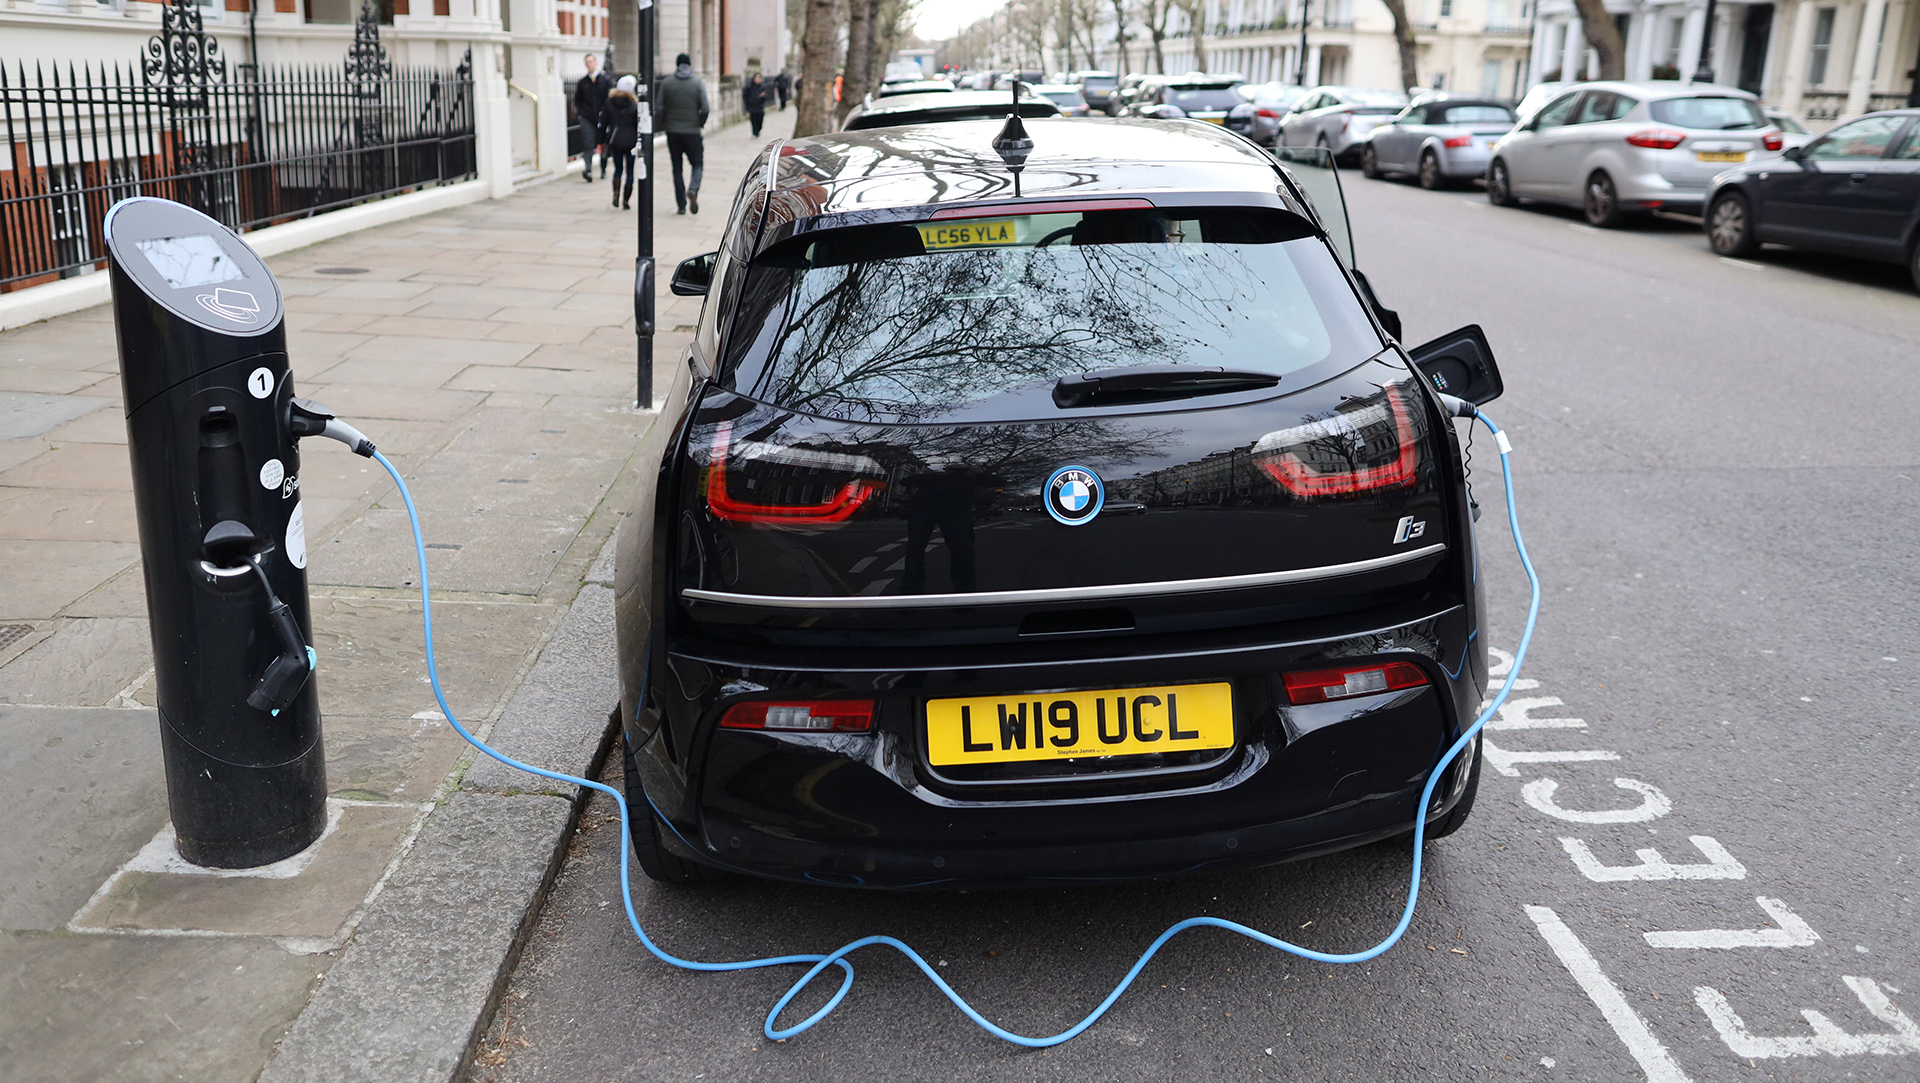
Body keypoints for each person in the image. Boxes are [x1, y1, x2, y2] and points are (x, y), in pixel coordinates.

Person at [655, 52, 709, 215]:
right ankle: (693, 189)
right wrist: (700, 123)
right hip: (692, 131)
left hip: (673, 132)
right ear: (689, 65)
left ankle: (681, 205)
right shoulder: (697, 83)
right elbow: (705, 108)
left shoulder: (667, 82)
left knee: (676, 168)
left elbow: (658, 107)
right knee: (697, 164)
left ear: (677, 64)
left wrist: (666, 123)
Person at [602, 75, 640, 210]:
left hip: (615, 140)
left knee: (618, 169)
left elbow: (604, 122)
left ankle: (616, 194)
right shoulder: (634, 105)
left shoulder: (609, 102)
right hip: (630, 141)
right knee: (630, 171)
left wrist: (602, 140)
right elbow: (638, 125)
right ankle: (626, 200)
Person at [573, 53, 611, 183]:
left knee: (603, 144)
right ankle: (588, 169)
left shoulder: (605, 81)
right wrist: (581, 114)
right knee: (588, 143)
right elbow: (577, 100)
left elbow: (609, 99)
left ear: (595, 63)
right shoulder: (582, 83)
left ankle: (603, 169)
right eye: (587, 62)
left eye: (591, 62)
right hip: (587, 117)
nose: (589, 64)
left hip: (602, 117)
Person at [742, 71, 768, 138]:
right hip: (752, 106)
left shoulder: (763, 86)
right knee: (753, 120)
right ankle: (754, 133)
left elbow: (767, 96)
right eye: (756, 78)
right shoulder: (749, 86)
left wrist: (763, 96)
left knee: (760, 120)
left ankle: (758, 130)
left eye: (759, 78)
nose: (757, 80)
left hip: (760, 106)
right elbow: (745, 95)